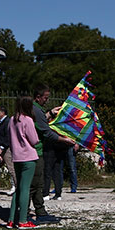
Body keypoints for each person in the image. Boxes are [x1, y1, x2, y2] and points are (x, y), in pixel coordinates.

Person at [29, 85, 75, 222]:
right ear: (38, 97)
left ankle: (40, 210)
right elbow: (46, 131)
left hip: (36, 151)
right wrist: (64, 139)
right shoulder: (36, 110)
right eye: (45, 98)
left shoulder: (37, 110)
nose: (47, 100)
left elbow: (41, 122)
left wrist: (50, 113)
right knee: (35, 184)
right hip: (35, 152)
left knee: (38, 184)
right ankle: (26, 213)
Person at [8, 96, 40, 229]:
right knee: (25, 188)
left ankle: (11, 219)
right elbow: (34, 140)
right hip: (28, 157)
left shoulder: (11, 120)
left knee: (18, 188)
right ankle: (22, 220)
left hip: (17, 157)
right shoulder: (28, 120)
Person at [0, 105, 16, 195]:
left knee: (11, 168)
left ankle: (17, 187)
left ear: (3, 113)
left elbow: (8, 136)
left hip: (5, 148)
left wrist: (2, 147)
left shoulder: (8, 122)